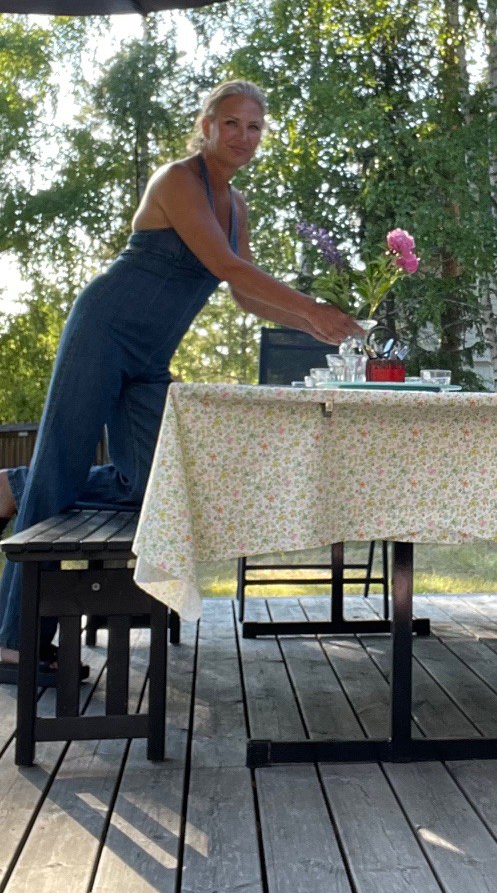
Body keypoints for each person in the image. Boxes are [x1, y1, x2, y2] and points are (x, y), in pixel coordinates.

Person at [0, 78, 360, 678]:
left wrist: (312, 323)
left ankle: (14, 483)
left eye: (254, 126)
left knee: (165, 477)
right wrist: (311, 307)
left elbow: (243, 294)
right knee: (60, 464)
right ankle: (12, 640)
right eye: (231, 124)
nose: (243, 136)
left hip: (149, 358)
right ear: (207, 125)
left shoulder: (236, 205)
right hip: (104, 330)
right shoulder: (176, 181)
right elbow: (224, 265)